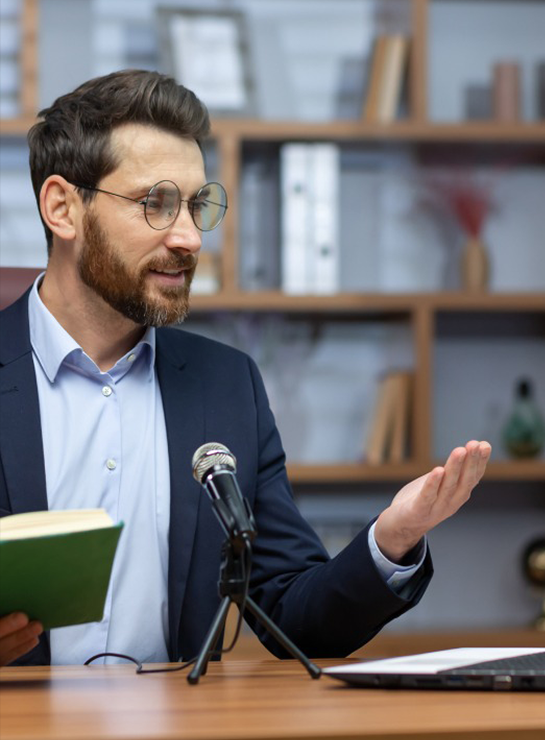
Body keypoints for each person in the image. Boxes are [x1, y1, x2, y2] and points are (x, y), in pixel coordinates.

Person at [0, 70, 491, 668]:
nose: (189, 239)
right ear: (62, 208)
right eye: (156, 204)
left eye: (196, 206)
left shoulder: (227, 386)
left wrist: (392, 538)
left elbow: (294, 613)